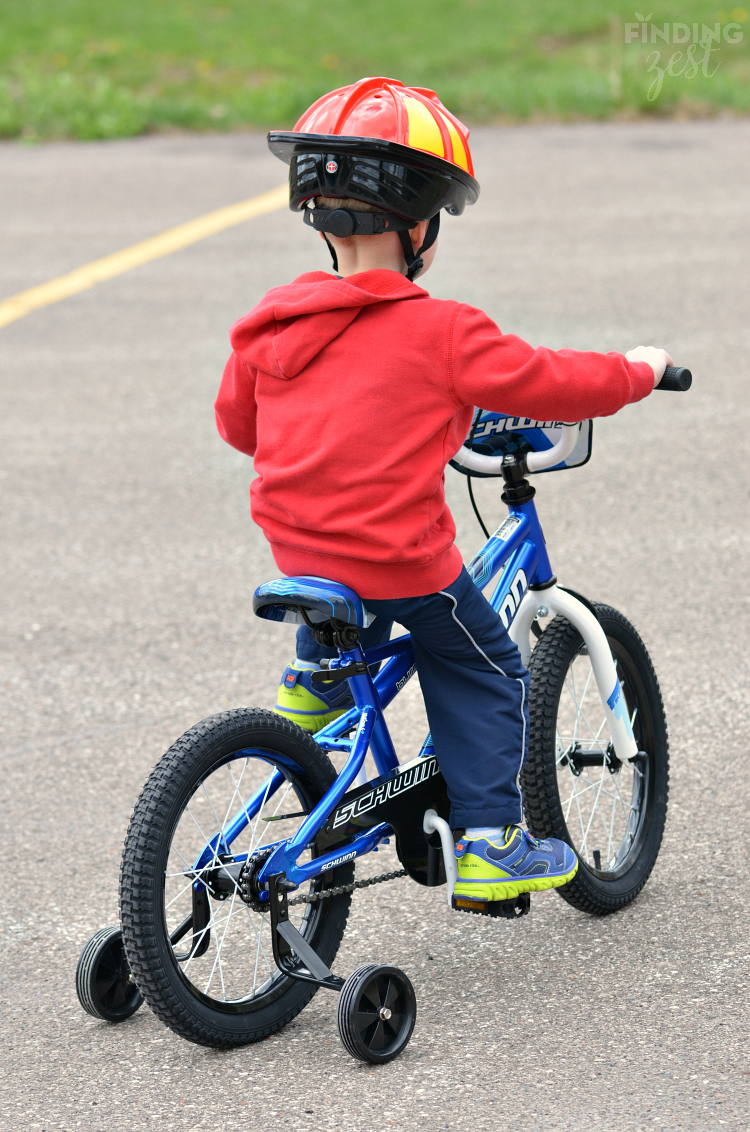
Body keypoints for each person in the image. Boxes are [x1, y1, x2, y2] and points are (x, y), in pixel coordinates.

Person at [214, 77, 671, 905]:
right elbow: (552, 382)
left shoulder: (269, 323)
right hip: (398, 563)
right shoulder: (445, 332)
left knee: (341, 570)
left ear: (318, 214)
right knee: (489, 664)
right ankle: (494, 842)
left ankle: (315, 683)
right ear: (420, 223)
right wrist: (635, 371)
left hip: (297, 554)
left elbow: (239, 429)